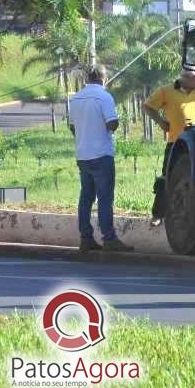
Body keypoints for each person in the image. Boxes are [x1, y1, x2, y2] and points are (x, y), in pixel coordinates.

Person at [69, 65, 133, 253]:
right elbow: (112, 123)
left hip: (82, 154)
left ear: (88, 78)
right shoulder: (105, 96)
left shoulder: (76, 98)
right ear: (104, 79)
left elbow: (72, 127)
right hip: (101, 155)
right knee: (105, 198)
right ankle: (109, 238)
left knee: (86, 197)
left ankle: (85, 238)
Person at [142, 66, 195, 226]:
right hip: (176, 143)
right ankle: (158, 214)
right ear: (185, 78)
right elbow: (147, 106)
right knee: (167, 177)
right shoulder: (166, 91)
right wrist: (162, 122)